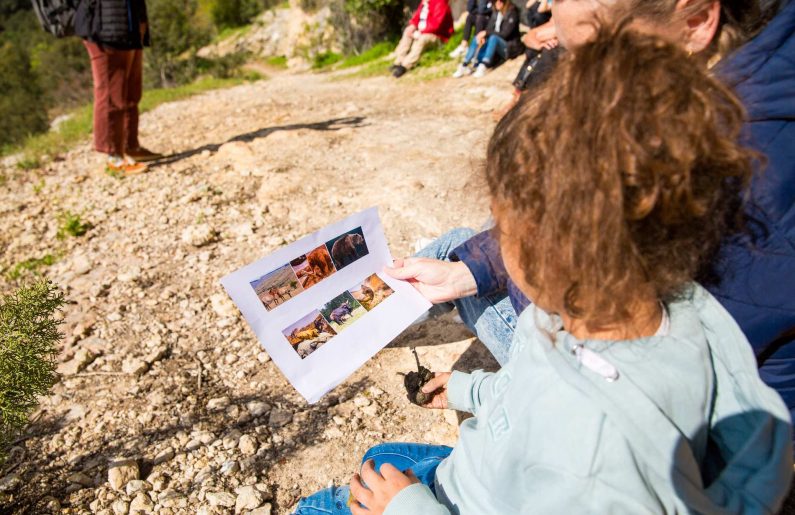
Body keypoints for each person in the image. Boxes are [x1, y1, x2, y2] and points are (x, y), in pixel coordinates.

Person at [293, 24, 793, 514]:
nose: (496, 241)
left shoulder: (602, 459)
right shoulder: (585, 313)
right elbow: (532, 388)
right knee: (380, 460)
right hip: (496, 468)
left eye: (502, 229)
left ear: (547, 251)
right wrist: (470, 390)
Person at [398, 0, 795, 441]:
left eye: (596, 51)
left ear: (697, 21)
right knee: (460, 248)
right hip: (600, 358)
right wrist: (470, 270)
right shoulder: (667, 103)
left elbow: (648, 421)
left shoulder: (746, 185)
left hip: (634, 412)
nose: (575, 81)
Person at [75, 0, 162, 175]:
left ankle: (131, 146)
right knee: (110, 95)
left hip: (128, 28)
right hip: (103, 30)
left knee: (131, 92)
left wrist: (141, 20)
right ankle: (114, 156)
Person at [452, 0, 522, 78]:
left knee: (493, 38)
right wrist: (484, 36)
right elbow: (489, 28)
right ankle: (465, 64)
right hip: (496, 45)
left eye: (500, 0)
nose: (498, 2)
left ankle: (484, 65)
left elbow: (505, 34)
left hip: (509, 47)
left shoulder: (512, 12)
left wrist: (487, 33)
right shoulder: (496, 13)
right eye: (495, 1)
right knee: (478, 37)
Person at [390, 0, 454, 78]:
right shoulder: (425, 2)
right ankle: (398, 61)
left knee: (422, 39)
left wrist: (421, 32)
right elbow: (417, 18)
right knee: (408, 31)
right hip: (423, 31)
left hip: (438, 35)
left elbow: (436, 25)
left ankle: (405, 65)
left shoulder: (440, 2)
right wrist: (412, 26)